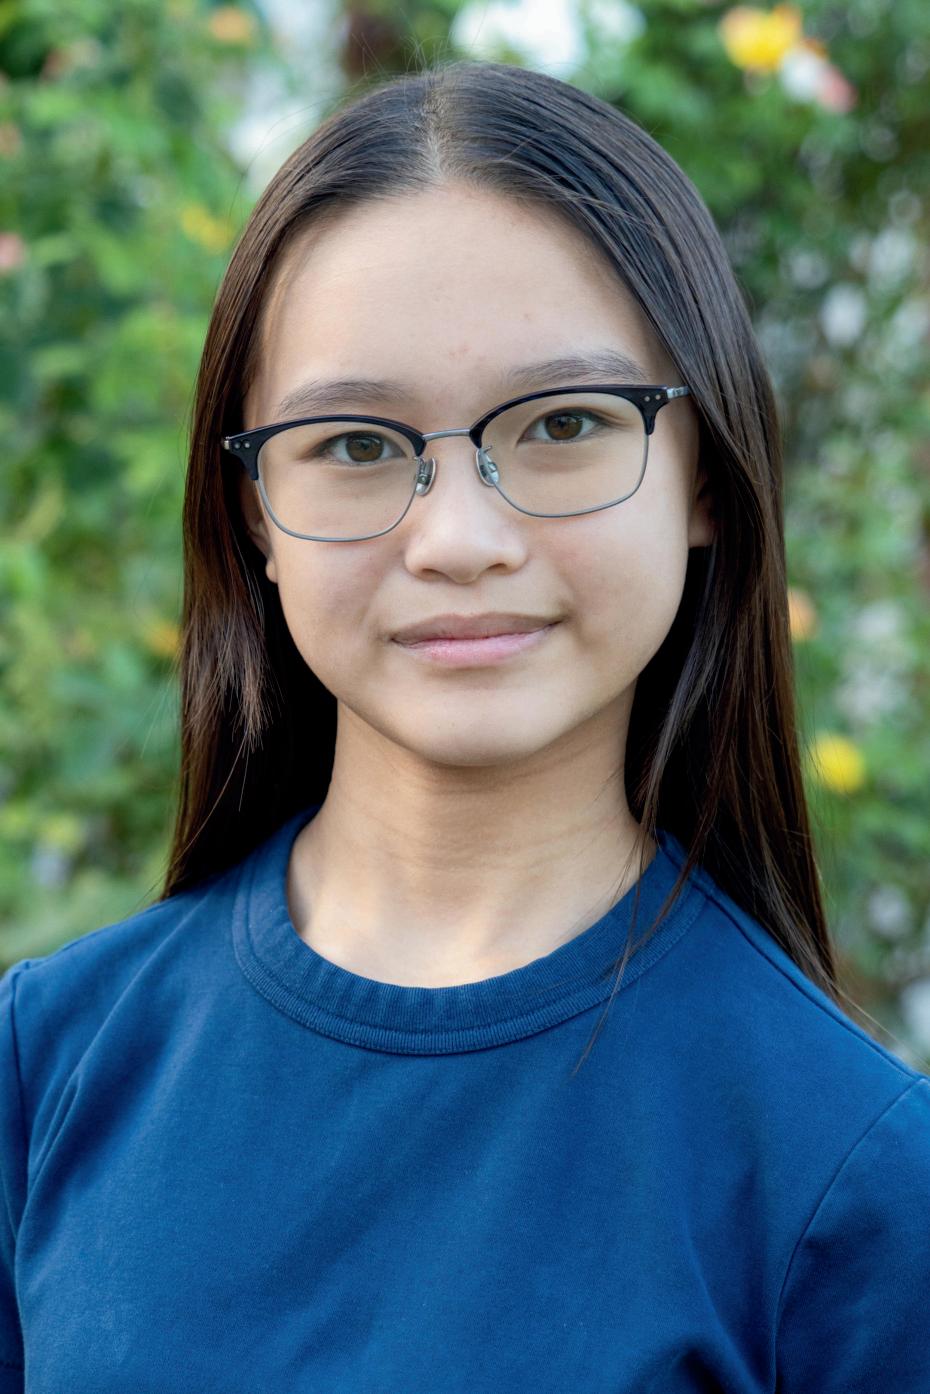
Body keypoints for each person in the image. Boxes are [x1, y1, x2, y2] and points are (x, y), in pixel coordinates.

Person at [1, 58, 927, 1393]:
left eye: (564, 423)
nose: (457, 539)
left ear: (706, 479)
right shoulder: (50, 1062)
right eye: (355, 443)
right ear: (254, 510)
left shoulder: (853, 1176)